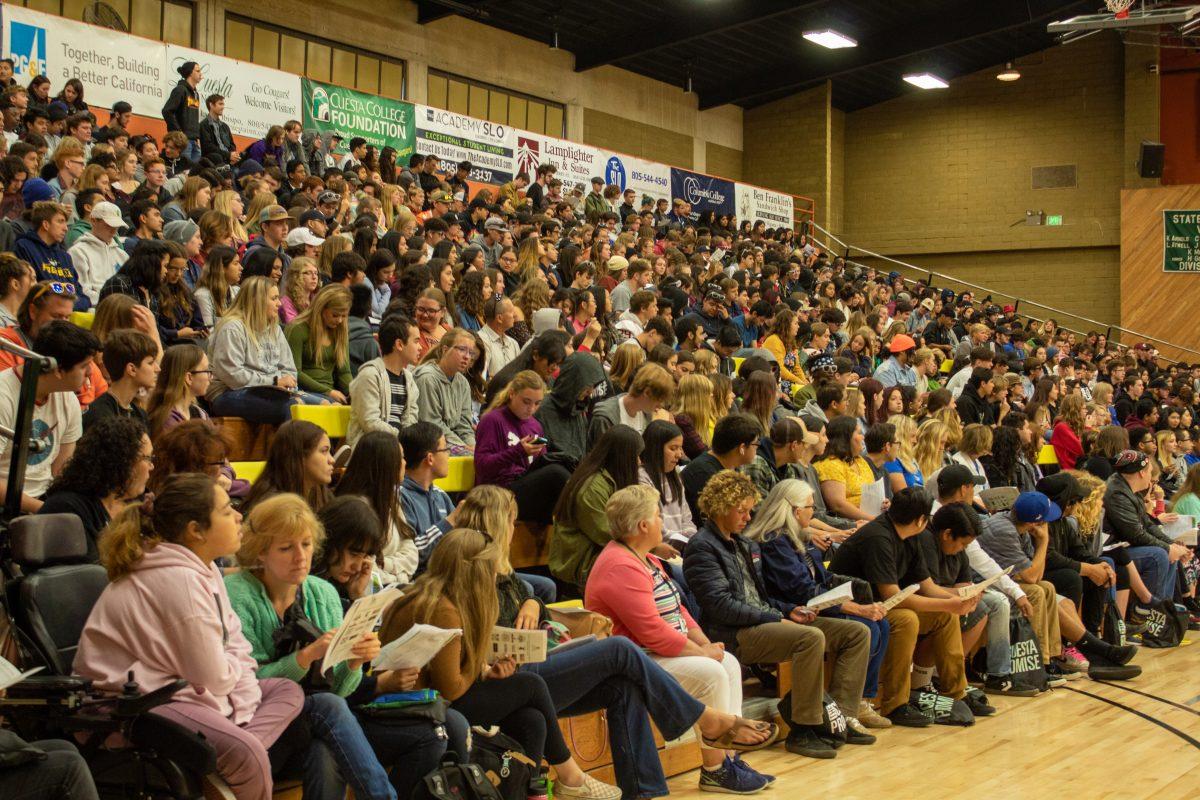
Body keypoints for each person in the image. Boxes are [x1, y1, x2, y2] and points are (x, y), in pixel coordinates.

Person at [74, 474, 306, 800]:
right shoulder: (178, 579)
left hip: (184, 693)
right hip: (136, 708)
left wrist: (237, 698)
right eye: (227, 511)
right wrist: (234, 691)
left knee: (287, 690)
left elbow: (237, 644)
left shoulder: (204, 568)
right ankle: (231, 749)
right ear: (196, 530)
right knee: (249, 755)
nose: (239, 516)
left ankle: (218, 756)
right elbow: (214, 676)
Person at [379, 529, 624, 800]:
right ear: (475, 571)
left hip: (431, 699)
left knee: (532, 720)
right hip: (420, 707)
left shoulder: (433, 594)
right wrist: (480, 666)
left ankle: (534, 793)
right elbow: (452, 689)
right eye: (491, 570)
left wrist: (487, 671)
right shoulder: (445, 609)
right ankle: (570, 778)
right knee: (531, 684)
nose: (496, 576)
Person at [225, 493, 441, 800]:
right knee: (327, 707)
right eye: (286, 548)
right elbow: (244, 685)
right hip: (256, 723)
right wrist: (304, 658)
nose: (301, 556)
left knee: (323, 748)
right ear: (260, 553)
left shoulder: (323, 593)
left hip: (311, 723)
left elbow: (339, 689)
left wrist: (353, 663)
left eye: (307, 544)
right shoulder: (238, 596)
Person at [583, 484, 778, 793]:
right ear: (643, 525)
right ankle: (716, 768)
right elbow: (652, 632)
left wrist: (703, 644)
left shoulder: (646, 558)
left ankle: (729, 757)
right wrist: (702, 655)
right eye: (658, 515)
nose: (663, 521)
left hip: (658, 651)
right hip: (637, 661)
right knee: (712, 671)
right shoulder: (619, 565)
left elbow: (679, 610)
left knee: (727, 662)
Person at [683, 470, 873, 757]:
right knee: (809, 638)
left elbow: (761, 596)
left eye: (749, 510)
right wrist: (776, 617)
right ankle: (803, 729)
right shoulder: (701, 547)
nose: (748, 518)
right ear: (721, 508)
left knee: (856, 632)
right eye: (742, 511)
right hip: (732, 632)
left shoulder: (744, 543)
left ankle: (841, 716)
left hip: (764, 619)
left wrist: (788, 610)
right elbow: (721, 605)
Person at [743, 479, 893, 729]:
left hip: (811, 605)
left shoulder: (798, 536)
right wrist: (853, 607)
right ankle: (845, 710)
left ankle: (861, 701)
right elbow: (802, 591)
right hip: (795, 612)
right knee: (864, 626)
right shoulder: (774, 542)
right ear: (795, 510)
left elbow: (819, 580)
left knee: (881, 624)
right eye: (811, 507)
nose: (814, 512)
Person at [826, 487, 977, 726]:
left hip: (881, 606)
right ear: (920, 519)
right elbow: (893, 595)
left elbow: (926, 586)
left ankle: (955, 695)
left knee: (944, 616)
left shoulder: (912, 536)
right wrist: (951, 604)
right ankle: (896, 704)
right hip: (852, 608)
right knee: (908, 619)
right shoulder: (878, 537)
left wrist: (956, 600)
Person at [0, 320, 98, 512]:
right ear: (59, 370)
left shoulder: (69, 399)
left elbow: (62, 471)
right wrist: (44, 510)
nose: (90, 373)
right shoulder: (4, 396)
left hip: (44, 499)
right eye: (85, 365)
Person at [207, 276, 327, 425]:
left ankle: (323, 448)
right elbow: (232, 375)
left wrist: (286, 383)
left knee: (327, 404)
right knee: (292, 406)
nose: (280, 303)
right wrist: (274, 381)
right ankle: (294, 449)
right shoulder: (232, 328)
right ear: (256, 300)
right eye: (274, 298)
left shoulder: (275, 329)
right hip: (228, 393)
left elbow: (288, 368)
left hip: (273, 392)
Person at [38, 416, 153, 560]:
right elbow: (90, 575)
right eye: (147, 458)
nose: (151, 466)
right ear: (123, 460)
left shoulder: (138, 505)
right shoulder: (67, 508)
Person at [550, 424, 645, 589]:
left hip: (604, 557)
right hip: (581, 567)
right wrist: (650, 544)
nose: (639, 462)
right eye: (635, 456)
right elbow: (608, 534)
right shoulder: (591, 488)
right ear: (622, 457)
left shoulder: (611, 480)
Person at [475, 369, 571, 525]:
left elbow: (540, 467)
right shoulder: (492, 420)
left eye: (537, 404)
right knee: (556, 474)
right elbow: (481, 467)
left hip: (523, 487)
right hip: (497, 493)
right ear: (512, 394)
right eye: (526, 402)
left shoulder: (535, 425)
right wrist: (518, 451)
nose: (531, 409)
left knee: (564, 469)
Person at [1104, 449, 1191, 610]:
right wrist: (1167, 548)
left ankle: (1164, 612)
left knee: (1168, 553)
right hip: (1112, 551)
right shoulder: (1117, 494)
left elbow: (1148, 524)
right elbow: (1135, 534)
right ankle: (1148, 614)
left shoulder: (1127, 487)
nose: (1152, 478)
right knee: (1158, 555)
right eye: (1151, 472)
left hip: (1123, 547)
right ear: (1142, 473)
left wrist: (1173, 546)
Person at [335, 433, 418, 586]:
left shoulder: (391, 499)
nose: (405, 463)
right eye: (401, 457)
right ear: (386, 463)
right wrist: (400, 578)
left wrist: (386, 564)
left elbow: (412, 553)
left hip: (396, 584)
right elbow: (363, 569)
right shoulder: (357, 509)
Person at [347, 314, 420, 446]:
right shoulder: (370, 375)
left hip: (398, 446)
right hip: (371, 448)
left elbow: (410, 420)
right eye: (416, 341)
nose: (420, 347)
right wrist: (403, 438)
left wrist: (410, 441)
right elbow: (370, 423)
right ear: (399, 344)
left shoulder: (409, 379)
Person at [682, 412, 762, 524]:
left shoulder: (732, 467)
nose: (757, 449)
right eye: (756, 444)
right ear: (742, 448)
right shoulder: (704, 474)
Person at [398, 421, 457, 572]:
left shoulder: (440, 495)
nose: (449, 455)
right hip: (420, 582)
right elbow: (411, 553)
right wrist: (449, 522)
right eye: (445, 450)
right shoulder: (400, 497)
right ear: (430, 458)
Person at [242, 419, 334, 513]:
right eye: (324, 451)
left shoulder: (320, 492)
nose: (332, 460)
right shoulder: (272, 505)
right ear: (299, 456)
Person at [532, 351, 606, 468]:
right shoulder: (542, 410)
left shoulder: (579, 408)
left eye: (593, 386)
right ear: (574, 381)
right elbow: (535, 456)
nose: (590, 391)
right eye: (587, 385)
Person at [14, 200, 89, 309]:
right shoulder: (24, 247)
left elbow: (81, 295)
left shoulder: (65, 256)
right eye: (60, 221)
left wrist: (69, 303)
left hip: (67, 313)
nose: (66, 228)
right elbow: (34, 291)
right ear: (46, 224)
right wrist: (68, 300)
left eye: (65, 222)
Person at [285, 283, 353, 404]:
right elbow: (295, 372)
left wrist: (354, 392)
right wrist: (328, 392)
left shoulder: (340, 331)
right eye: (335, 315)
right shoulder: (297, 329)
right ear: (321, 308)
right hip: (303, 391)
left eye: (344, 316)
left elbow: (344, 372)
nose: (340, 320)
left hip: (331, 394)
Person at [81, 328, 158, 431]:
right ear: (132, 369)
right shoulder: (100, 416)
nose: (158, 369)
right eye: (150, 363)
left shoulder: (140, 415)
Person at [414, 329, 478, 453]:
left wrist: (473, 446)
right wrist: (464, 447)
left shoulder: (463, 383)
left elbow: (464, 425)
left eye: (471, 353)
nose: (467, 357)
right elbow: (431, 424)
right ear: (445, 350)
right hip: (429, 445)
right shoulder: (427, 378)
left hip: (452, 443)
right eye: (462, 349)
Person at [639, 419, 698, 550]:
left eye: (680, 448)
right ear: (656, 449)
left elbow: (687, 518)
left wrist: (693, 539)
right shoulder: (642, 479)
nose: (679, 455)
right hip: (659, 550)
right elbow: (651, 525)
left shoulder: (675, 476)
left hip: (682, 547)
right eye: (673, 448)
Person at [814, 415, 877, 522]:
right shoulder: (830, 465)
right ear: (845, 438)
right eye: (859, 433)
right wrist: (875, 520)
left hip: (872, 518)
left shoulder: (860, 460)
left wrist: (882, 503)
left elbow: (873, 493)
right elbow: (838, 506)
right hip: (850, 524)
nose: (863, 437)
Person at [68, 200, 128, 305]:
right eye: (109, 225)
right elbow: (81, 291)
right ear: (93, 221)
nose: (114, 231)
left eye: (117, 226)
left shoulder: (122, 255)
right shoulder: (78, 252)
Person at [479, 295, 520, 377]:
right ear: (499, 318)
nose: (514, 315)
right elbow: (482, 379)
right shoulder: (481, 341)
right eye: (511, 311)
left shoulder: (513, 343)